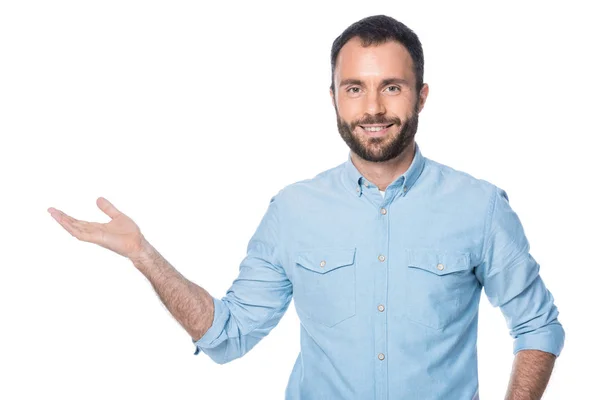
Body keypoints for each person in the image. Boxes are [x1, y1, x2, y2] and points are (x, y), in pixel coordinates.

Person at [48, 14, 564, 400]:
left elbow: (537, 326)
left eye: (392, 87)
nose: (374, 108)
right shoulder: (293, 211)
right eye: (354, 89)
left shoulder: (479, 207)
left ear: (421, 96)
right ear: (334, 97)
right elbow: (228, 336)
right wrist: (143, 254)